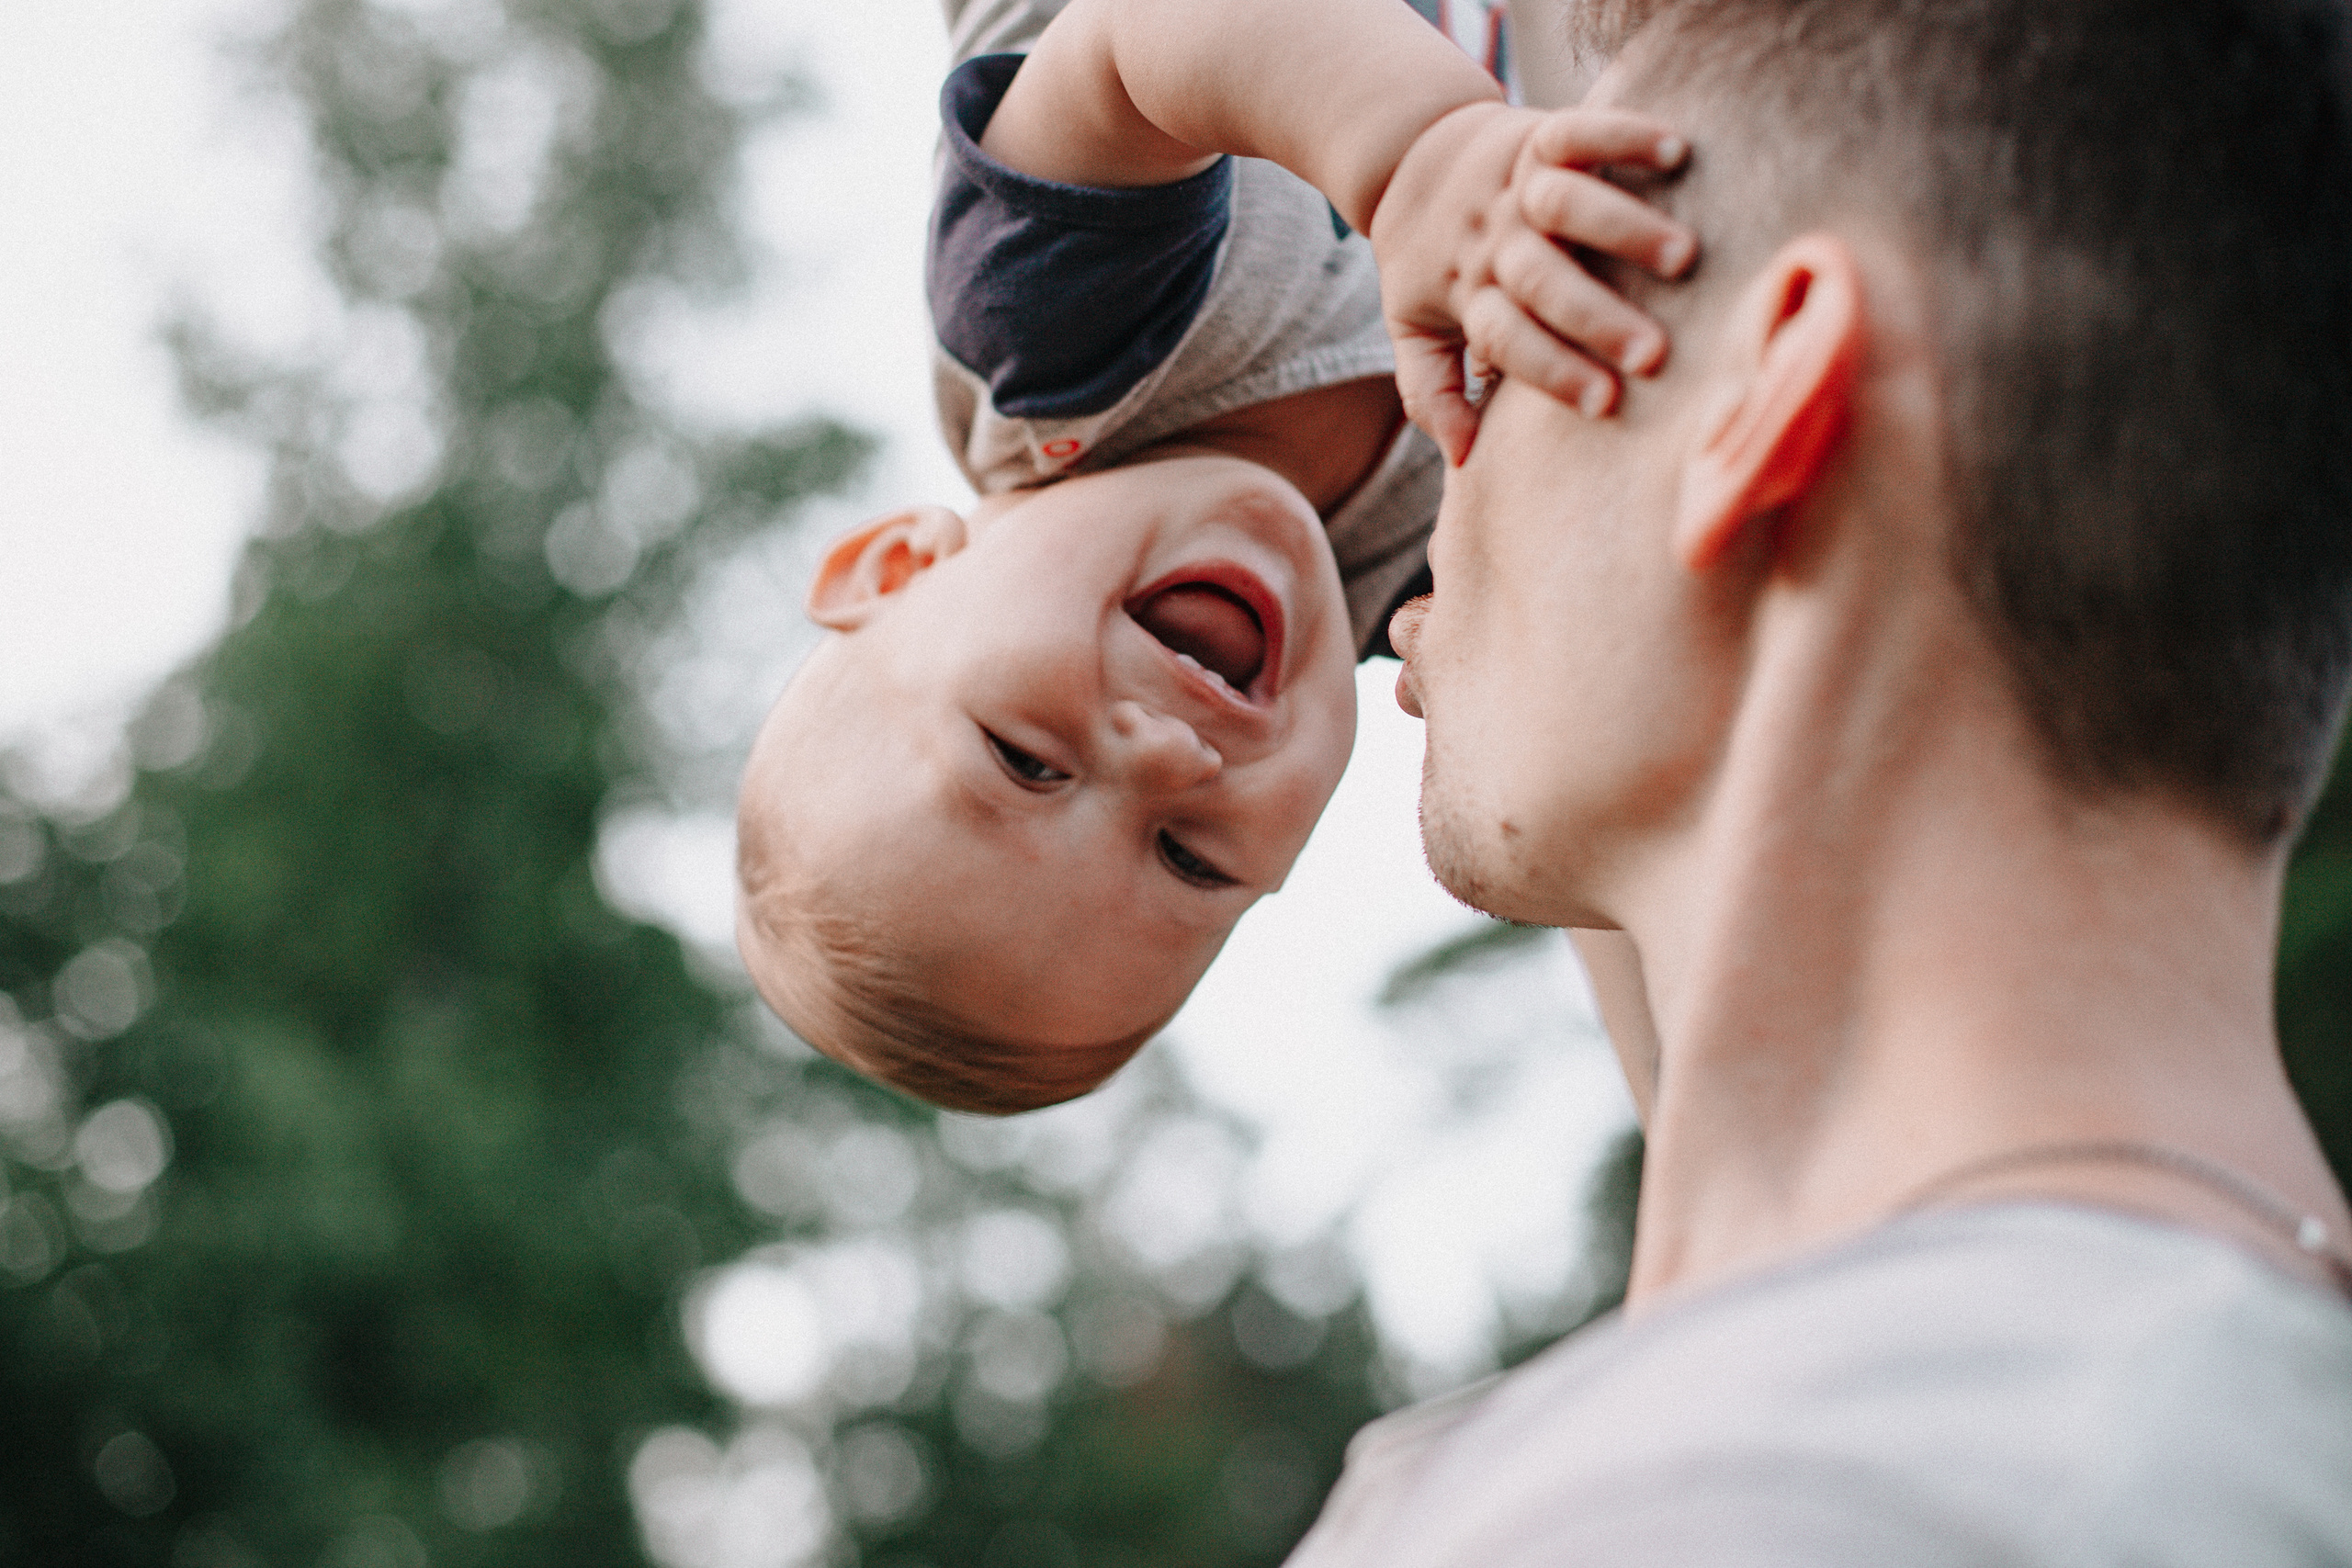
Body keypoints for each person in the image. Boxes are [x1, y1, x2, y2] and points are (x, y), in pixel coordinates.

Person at [1291, 0, 2352, 1560]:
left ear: (1764, 395)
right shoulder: (2138, 1432)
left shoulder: (1797, 1500)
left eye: (1497, 331)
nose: (1438, 484)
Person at [734, 0, 1697, 1113]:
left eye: (1026, 759)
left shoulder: (1053, 334)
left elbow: (1156, 33)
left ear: (899, 571)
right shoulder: (1436, 579)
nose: (1163, 761)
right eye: (1190, 858)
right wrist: (1687, 1135)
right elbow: (1609, 858)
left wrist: (1420, 159)